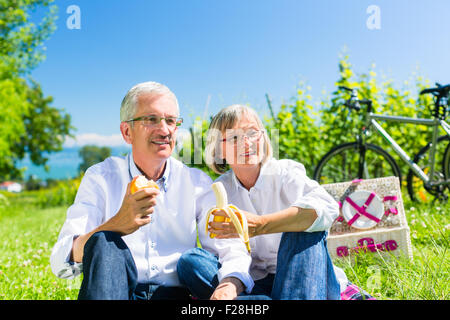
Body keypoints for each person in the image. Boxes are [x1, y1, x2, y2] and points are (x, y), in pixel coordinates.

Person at [50, 83, 254, 300]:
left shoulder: (196, 182)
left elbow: (230, 248)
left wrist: (229, 286)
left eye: (170, 121)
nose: (165, 130)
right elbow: (61, 258)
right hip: (119, 291)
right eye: (151, 120)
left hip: (177, 296)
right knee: (104, 242)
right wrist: (116, 224)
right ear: (127, 132)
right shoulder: (100, 176)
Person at [177, 104, 347, 300]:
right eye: (234, 138)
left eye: (252, 133)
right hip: (254, 283)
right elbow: (232, 252)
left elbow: (327, 207)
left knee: (302, 227)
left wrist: (260, 225)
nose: (246, 143)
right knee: (191, 262)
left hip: (304, 276)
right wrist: (229, 285)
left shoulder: (286, 172)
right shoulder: (218, 191)